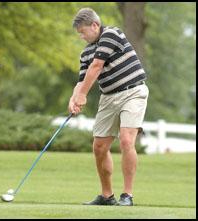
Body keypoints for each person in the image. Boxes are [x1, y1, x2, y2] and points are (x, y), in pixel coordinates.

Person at [68, 8, 149, 206]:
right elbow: (82, 79)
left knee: (126, 140)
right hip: (108, 98)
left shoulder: (111, 34)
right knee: (99, 147)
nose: (81, 36)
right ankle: (107, 196)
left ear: (95, 25)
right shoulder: (86, 52)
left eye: (83, 31)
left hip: (133, 92)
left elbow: (96, 67)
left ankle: (127, 195)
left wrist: (82, 95)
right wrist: (73, 98)